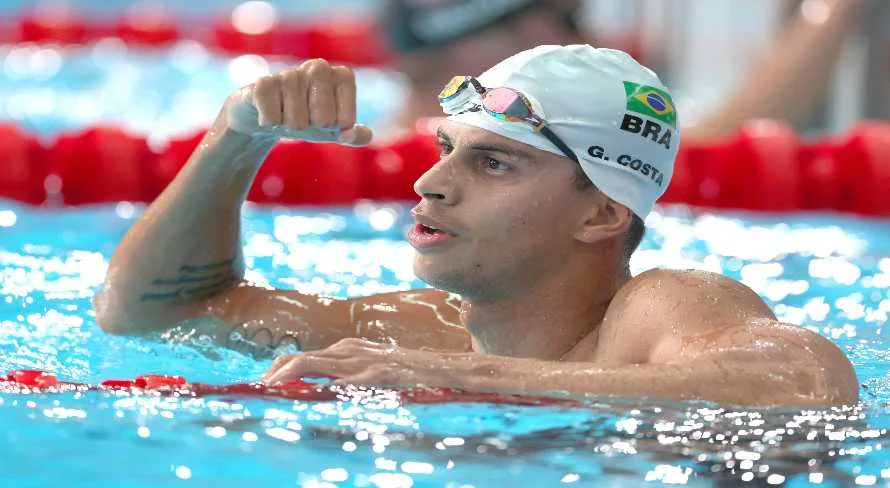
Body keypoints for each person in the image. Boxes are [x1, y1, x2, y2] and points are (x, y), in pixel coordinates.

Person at [94, 44, 859, 407]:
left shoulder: (657, 309)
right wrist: (236, 137)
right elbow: (152, 314)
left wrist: (468, 380)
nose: (429, 184)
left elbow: (810, 381)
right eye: (445, 150)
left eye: (494, 164)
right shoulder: (420, 329)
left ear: (602, 212)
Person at [382, 0, 867, 140]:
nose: (587, 39)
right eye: (571, 21)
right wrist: (835, 11)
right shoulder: (496, 134)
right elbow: (715, 142)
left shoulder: (400, 131)